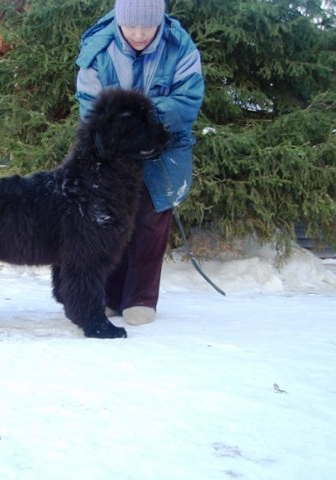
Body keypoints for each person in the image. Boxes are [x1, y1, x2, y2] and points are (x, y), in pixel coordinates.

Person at [75, 0, 204, 325]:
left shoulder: (181, 48)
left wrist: (137, 116)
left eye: (146, 27)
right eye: (131, 26)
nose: (138, 34)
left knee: (151, 223)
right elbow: (90, 107)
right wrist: (126, 126)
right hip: (112, 155)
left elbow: (188, 101)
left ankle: (141, 299)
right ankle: (109, 296)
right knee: (110, 221)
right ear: (119, 21)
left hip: (164, 149)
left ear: (159, 21)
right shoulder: (97, 52)